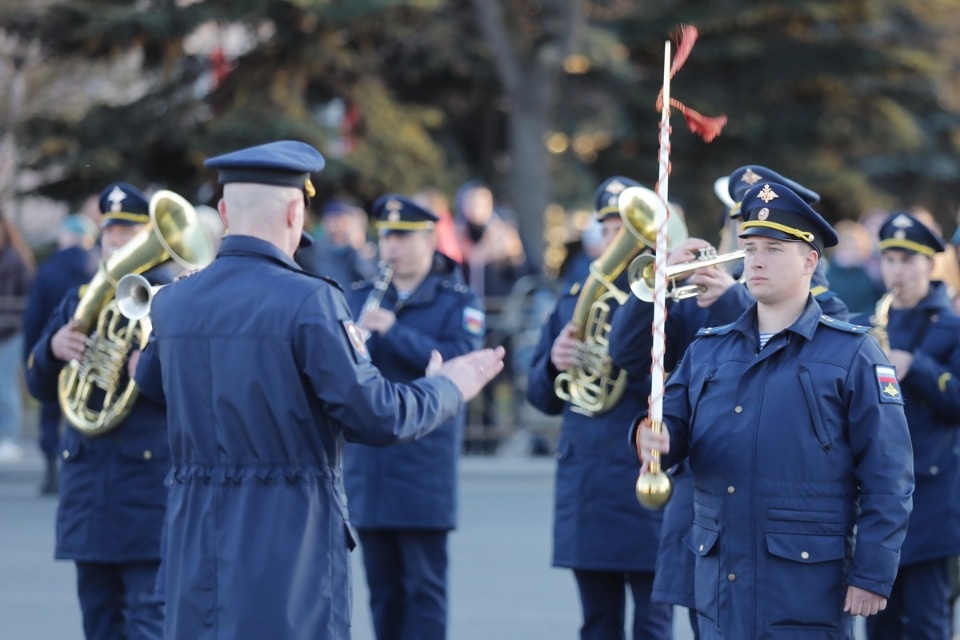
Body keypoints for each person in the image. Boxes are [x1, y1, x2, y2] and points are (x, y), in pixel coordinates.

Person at [132, 140, 505, 640]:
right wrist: (447, 387)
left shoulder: (176, 299)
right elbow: (377, 414)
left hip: (193, 541)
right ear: (295, 212)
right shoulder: (309, 299)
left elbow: (150, 385)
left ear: (223, 212)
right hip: (286, 542)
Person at [633, 181, 915, 638]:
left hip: (805, 586)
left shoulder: (853, 354)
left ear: (810, 261)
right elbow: (672, 430)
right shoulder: (708, 349)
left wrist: (872, 572)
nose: (756, 260)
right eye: (750, 248)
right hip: (721, 580)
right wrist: (651, 438)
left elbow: (889, 476)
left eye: (774, 249)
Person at [609, 165, 850, 639]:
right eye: (741, 227)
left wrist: (732, 303)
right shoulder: (698, 291)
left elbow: (797, 367)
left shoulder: (826, 306)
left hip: (791, 533)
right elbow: (628, 354)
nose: (748, 244)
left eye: (768, 239)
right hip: (707, 518)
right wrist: (657, 281)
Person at [526, 176, 672, 640]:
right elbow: (542, 399)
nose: (612, 241)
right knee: (597, 624)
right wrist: (554, 364)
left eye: (622, 231)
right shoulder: (573, 302)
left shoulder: (667, 300)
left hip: (640, 470)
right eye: (606, 231)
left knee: (653, 625)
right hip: (586, 477)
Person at [24, 182, 171, 640]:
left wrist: (149, 369)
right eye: (109, 231)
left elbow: (195, 390)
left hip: (147, 491)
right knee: (99, 622)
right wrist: (52, 349)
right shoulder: (79, 299)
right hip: (87, 489)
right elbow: (39, 386)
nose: (115, 240)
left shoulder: (170, 303)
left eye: (128, 232)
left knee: (148, 624)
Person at [343, 193, 484, 640]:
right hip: (368, 464)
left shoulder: (457, 299)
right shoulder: (359, 295)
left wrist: (393, 331)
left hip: (424, 463)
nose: (391, 246)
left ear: (428, 239)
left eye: (402, 237)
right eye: (386, 236)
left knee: (424, 587)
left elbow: (460, 363)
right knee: (382, 590)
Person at [849, 212, 960, 640]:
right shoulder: (866, 325)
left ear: (930, 264)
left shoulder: (952, 327)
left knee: (928, 623)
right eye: (890, 260)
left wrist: (918, 367)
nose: (897, 271)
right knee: (880, 623)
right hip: (877, 496)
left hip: (932, 496)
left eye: (908, 260)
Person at [21, 213, 99, 493]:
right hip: (92, 356)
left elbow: (33, 317)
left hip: (54, 351)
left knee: (50, 413)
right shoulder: (99, 268)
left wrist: (34, 356)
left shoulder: (48, 269)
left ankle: (52, 470)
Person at [0, 212, 34, 463]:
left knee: (5, 385)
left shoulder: (14, 259)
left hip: (10, 331)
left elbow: (24, 298)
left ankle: (10, 437)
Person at [296, 197, 378, 287]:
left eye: (340, 220)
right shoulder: (312, 251)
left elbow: (370, 279)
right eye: (330, 219)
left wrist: (356, 249)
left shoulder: (362, 251)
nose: (334, 225)